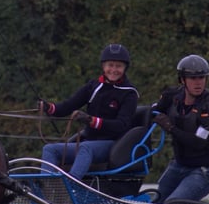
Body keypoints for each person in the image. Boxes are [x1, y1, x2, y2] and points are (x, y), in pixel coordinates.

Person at [39, 44, 139, 180]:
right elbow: (69, 105)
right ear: (103, 66)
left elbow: (122, 125)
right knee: (49, 149)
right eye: (110, 65)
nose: (114, 70)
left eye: (118, 66)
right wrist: (49, 108)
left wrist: (92, 121)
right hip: (88, 141)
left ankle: (71, 188)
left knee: (85, 148)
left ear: (125, 68)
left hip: (112, 144)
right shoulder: (93, 86)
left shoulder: (129, 93)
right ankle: (46, 191)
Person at [151, 54, 209, 203]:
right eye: (193, 78)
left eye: (201, 78)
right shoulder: (172, 96)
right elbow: (151, 112)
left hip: (206, 169)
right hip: (180, 164)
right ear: (182, 80)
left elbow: (199, 142)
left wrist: (170, 127)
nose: (198, 83)